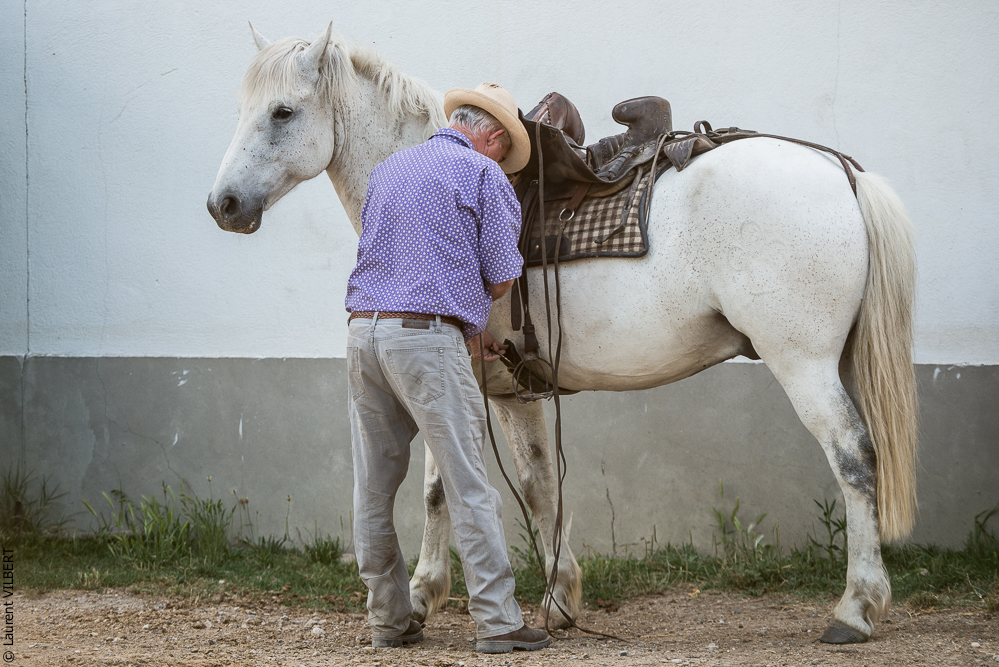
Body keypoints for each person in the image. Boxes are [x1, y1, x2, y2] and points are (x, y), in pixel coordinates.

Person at [343, 82, 550, 654]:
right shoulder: (484, 176)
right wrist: (465, 318)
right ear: (491, 137)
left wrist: (466, 327)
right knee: (468, 482)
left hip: (364, 333)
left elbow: (397, 256)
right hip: (426, 342)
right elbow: (502, 273)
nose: (500, 159)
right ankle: (498, 620)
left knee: (374, 485)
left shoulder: (389, 170)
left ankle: (389, 618)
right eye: (501, 149)